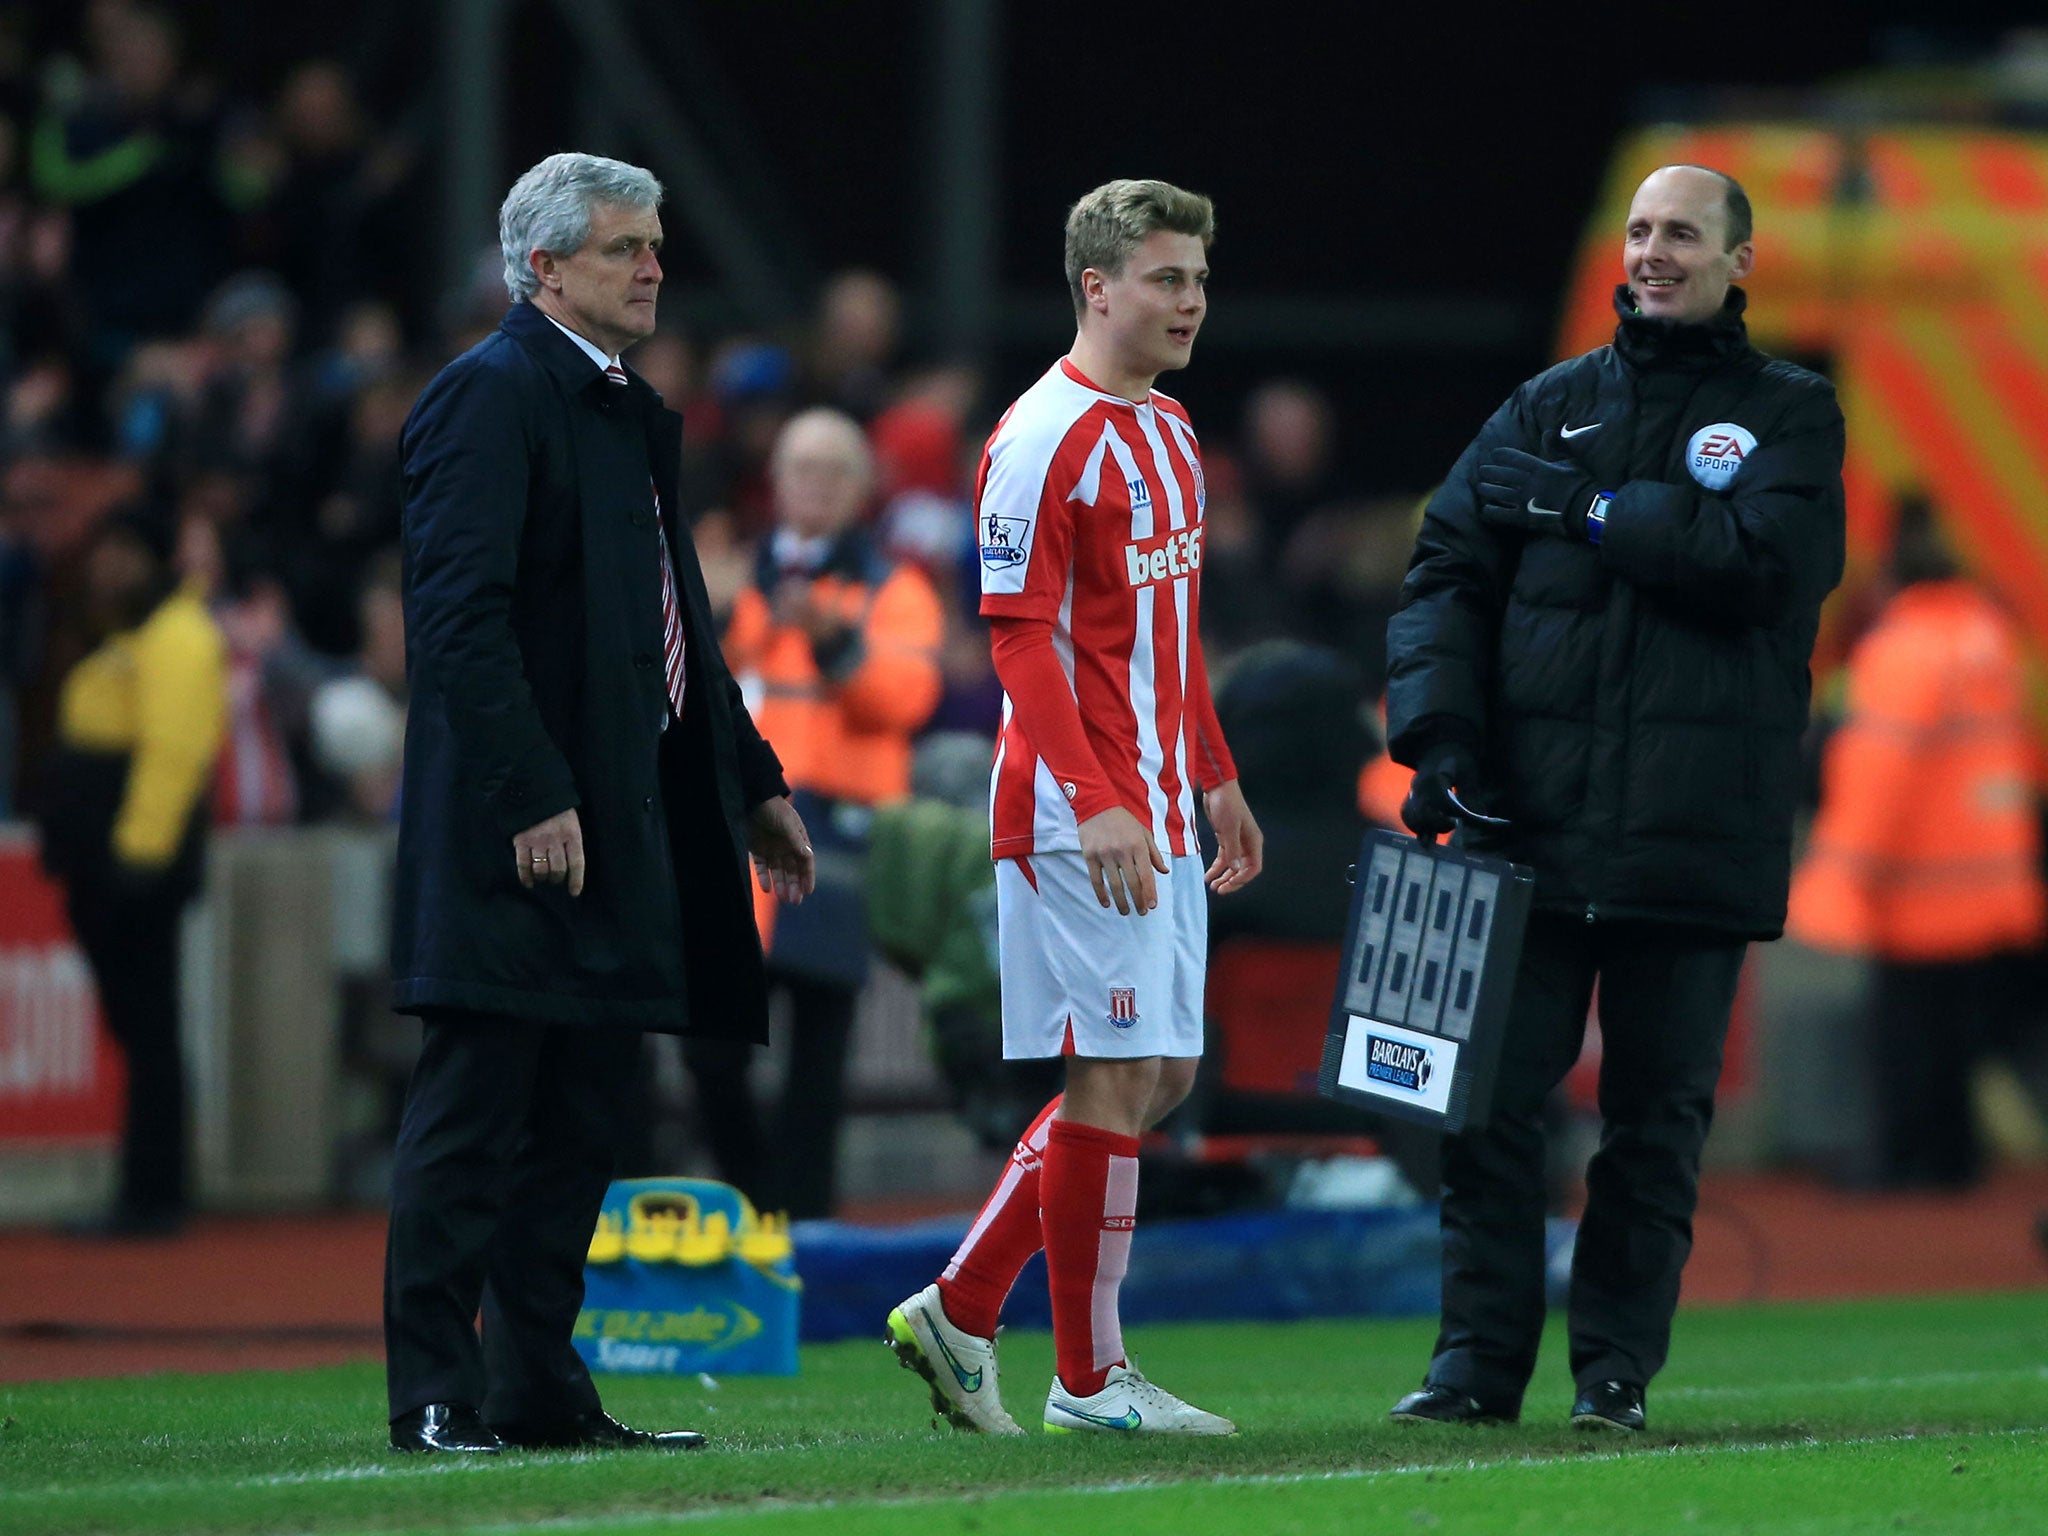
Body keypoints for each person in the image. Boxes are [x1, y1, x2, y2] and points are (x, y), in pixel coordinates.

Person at [1382, 165, 1845, 1434]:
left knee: (1650, 1130)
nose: (1652, 252)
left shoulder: (1790, 412)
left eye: (1681, 234)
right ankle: (1474, 1368)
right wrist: (1436, 733)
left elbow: (1770, 565)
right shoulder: (1546, 402)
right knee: (1481, 1108)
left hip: (1692, 836)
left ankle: (1612, 1379)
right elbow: (1444, 575)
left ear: (1737, 261)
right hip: (1529, 822)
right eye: (1639, 231)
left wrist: (1589, 510)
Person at [381, 152, 815, 1457]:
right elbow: (458, 620)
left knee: (583, 1119)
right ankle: (435, 1395)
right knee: (475, 1116)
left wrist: (751, 784)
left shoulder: (622, 411)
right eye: (627, 247)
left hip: (622, 829)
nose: (654, 266)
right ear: (546, 267)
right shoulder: (489, 397)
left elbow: (675, 618)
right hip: (519, 833)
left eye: (656, 243)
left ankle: (538, 1386)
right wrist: (531, 792)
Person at [885, 178, 1263, 1437]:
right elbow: (1017, 638)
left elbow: (1170, 631)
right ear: (1094, 288)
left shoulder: (1168, 430)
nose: (1190, 301)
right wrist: (1096, 797)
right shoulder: (1040, 436)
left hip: (1156, 797)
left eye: (1198, 279)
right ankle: (1091, 1384)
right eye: (1166, 278)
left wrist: (1213, 772)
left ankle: (960, 1307)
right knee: (1112, 1073)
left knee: (1157, 1073)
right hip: (1072, 807)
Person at [684, 406, 943, 1218]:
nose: (816, 486)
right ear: (777, 481)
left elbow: (906, 698)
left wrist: (832, 639)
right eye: (802, 468)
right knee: (711, 1047)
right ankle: (755, 1202)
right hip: (730, 830)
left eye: (834, 471)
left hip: (837, 833)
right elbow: (677, 687)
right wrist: (720, 614)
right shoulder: (730, 575)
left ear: (862, 488)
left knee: (819, 1049)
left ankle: (805, 1223)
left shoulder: (894, 587)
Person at [1788, 496, 2045, 1189]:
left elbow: (1875, 771)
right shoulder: (1990, 637)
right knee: (1959, 1030)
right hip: (1987, 878)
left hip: (1920, 881)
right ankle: (1954, 1157)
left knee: (1904, 1029)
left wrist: (1833, 882)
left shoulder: (1901, 651)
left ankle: (1903, 1159)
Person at [36, 504, 226, 1237]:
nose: (106, 566)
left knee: (148, 1029)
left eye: (123, 550)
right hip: (112, 860)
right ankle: (152, 1187)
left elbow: (171, 758)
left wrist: (137, 858)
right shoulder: (132, 636)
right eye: (102, 550)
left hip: (135, 865)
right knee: (143, 1028)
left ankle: (152, 1195)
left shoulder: (175, 636)